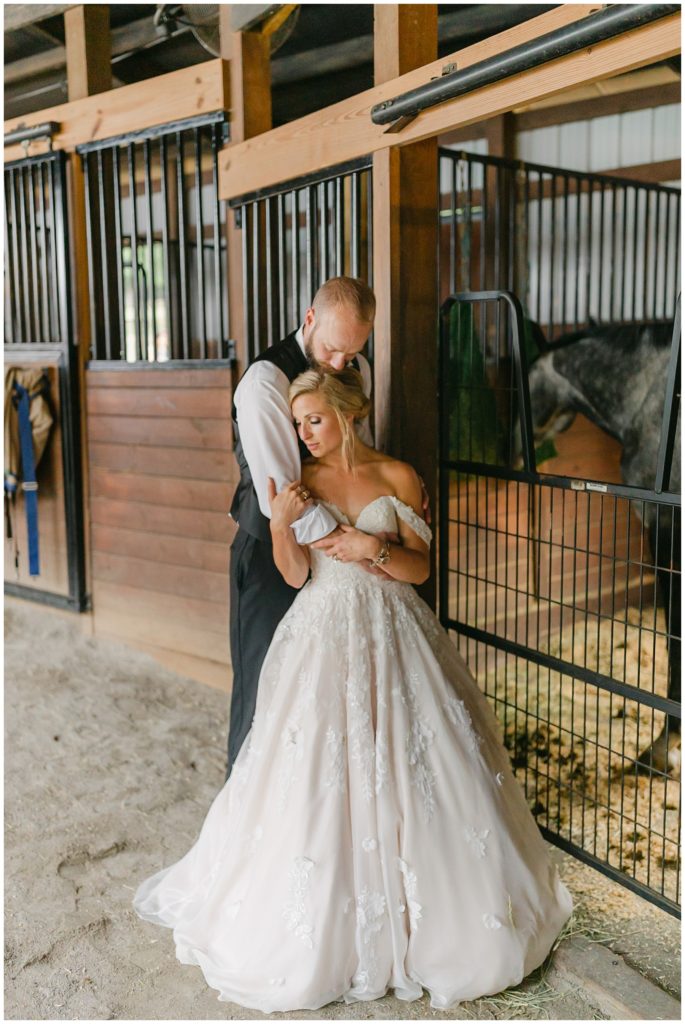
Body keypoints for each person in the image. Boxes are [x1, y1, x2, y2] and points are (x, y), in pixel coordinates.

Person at [134, 368, 573, 1013]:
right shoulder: (300, 482)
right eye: (297, 423)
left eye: (314, 419)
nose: (304, 434)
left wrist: (375, 546)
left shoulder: (398, 476)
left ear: (347, 414)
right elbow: (292, 573)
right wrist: (282, 523)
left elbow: (420, 570)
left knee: (417, 763)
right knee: (319, 770)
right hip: (321, 633)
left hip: (397, 633)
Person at [227, 276, 375, 775]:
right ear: (309, 320)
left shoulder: (357, 369)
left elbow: (358, 457)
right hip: (275, 556)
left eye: (352, 354)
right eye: (333, 349)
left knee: (319, 709)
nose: (340, 365)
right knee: (263, 701)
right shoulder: (264, 382)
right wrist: (357, 547)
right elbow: (280, 500)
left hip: (336, 567)